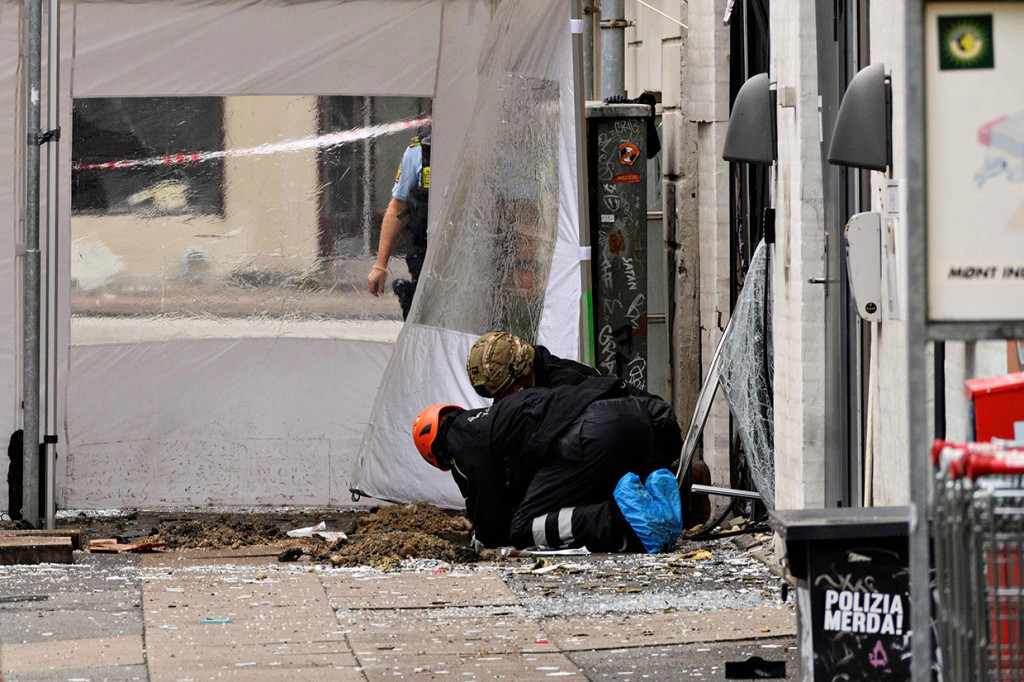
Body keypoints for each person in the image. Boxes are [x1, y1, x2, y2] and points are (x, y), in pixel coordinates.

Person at [411, 376, 684, 552]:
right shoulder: (493, 419)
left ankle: (622, 522)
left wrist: (481, 540)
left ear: (435, 452)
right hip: (633, 416)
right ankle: (659, 506)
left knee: (522, 528)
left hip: (587, 436)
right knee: (574, 499)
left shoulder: (460, 442)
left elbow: (491, 518)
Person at [367, 130, 430, 319]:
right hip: (425, 257)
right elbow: (397, 208)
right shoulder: (419, 150)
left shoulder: (480, 143)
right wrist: (380, 267)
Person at [465, 330, 601, 400]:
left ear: (523, 370)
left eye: (507, 391)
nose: (504, 399)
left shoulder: (566, 385)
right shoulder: (520, 384)